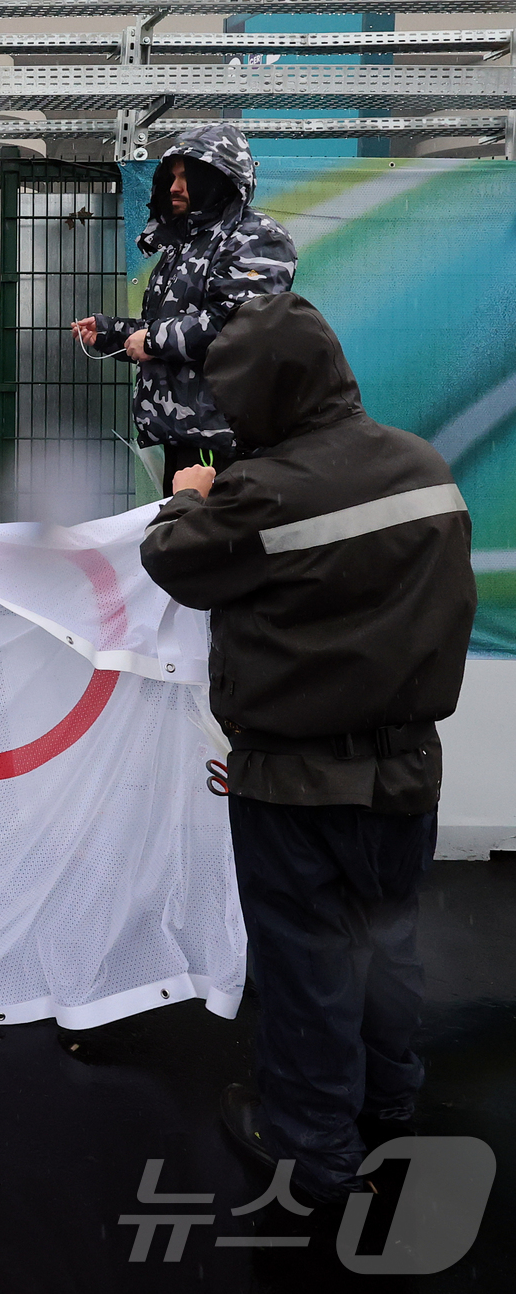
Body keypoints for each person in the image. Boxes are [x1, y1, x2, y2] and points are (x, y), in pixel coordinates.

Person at [138, 292, 475, 1207]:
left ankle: (314, 1147)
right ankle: (389, 1102)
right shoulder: (426, 468)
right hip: (407, 770)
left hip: (295, 782)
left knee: (307, 964)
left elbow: (175, 561)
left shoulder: (262, 492)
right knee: (388, 942)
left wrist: (186, 495)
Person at [69, 123, 296, 493]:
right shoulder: (185, 243)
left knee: (211, 545)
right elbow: (173, 325)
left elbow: (238, 325)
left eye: (186, 176)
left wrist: (153, 340)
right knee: (183, 539)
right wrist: (114, 334)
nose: (174, 187)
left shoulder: (256, 237)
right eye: (171, 177)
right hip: (186, 436)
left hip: (225, 440)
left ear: (219, 177)